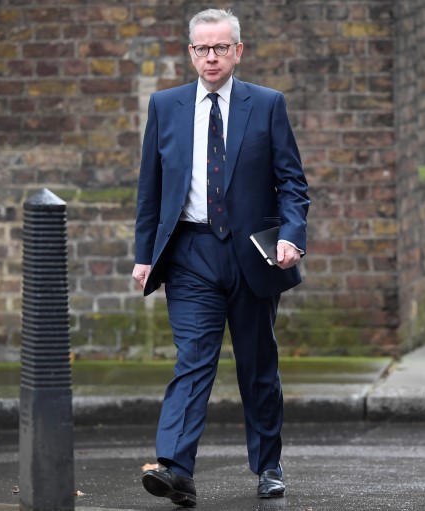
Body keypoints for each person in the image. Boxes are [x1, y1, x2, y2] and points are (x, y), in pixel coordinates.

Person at [131, 7, 310, 508]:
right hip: (190, 253)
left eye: (220, 48)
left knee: (257, 366)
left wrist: (292, 235)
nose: (211, 57)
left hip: (253, 256)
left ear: (238, 51)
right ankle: (175, 468)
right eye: (201, 49)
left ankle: (269, 465)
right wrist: (145, 254)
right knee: (193, 360)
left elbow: (293, 184)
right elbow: (151, 189)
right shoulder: (165, 106)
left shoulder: (267, 104)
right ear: (190, 53)